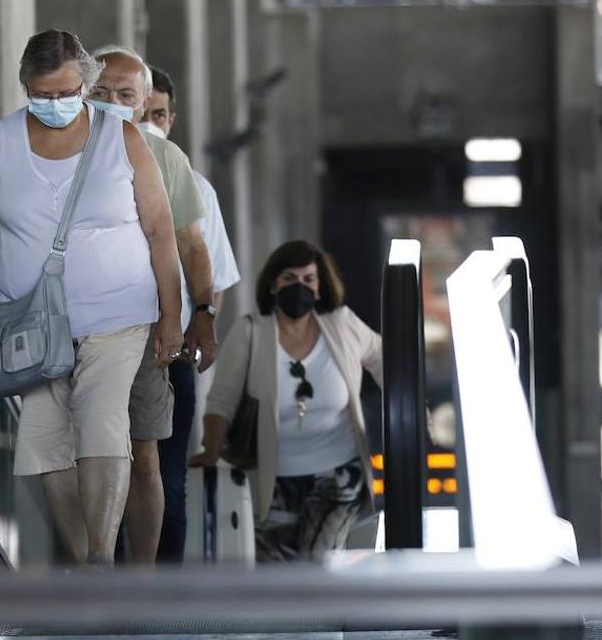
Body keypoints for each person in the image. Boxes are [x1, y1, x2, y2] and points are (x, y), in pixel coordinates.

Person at [0, 30, 182, 567]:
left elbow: (161, 229)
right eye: (41, 94)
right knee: (46, 444)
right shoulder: (3, 138)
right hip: (30, 321)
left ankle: (101, 557)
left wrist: (173, 316)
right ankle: (84, 564)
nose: (53, 104)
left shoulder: (124, 139)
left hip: (116, 316)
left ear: (86, 84)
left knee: (102, 424)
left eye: (66, 92)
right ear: (25, 85)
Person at [89, 45, 216, 565]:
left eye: (125, 95)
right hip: (72, 327)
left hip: (145, 331)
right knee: (82, 459)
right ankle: (89, 570)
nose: (112, 103)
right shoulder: (50, 147)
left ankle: (139, 581)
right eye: (100, 93)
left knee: (144, 457)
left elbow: (190, 245)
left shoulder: (165, 159)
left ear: (144, 104)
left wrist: (199, 315)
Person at [192, 241, 383, 563]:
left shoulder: (343, 325)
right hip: (273, 479)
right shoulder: (250, 332)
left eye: (309, 279)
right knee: (275, 572)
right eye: (290, 278)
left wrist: (415, 411)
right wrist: (211, 449)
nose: (300, 287)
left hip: (338, 477)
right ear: (273, 284)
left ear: (320, 287)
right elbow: (222, 399)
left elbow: (384, 359)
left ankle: (328, 614)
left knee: (319, 560)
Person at [141, 64, 241, 563]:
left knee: (168, 479)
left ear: (172, 119)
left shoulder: (196, 188)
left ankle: (164, 599)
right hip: (105, 348)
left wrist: (195, 330)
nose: (149, 123)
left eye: (158, 114)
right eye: (140, 112)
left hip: (172, 354)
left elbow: (213, 279)